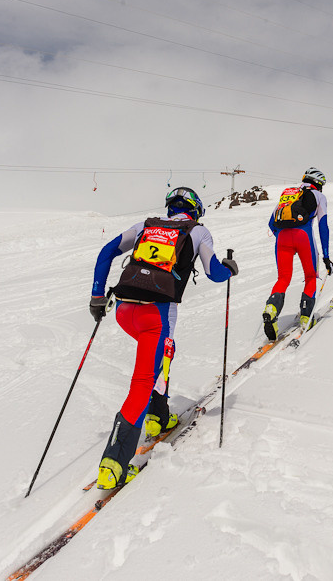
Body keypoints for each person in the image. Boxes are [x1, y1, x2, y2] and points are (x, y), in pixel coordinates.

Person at [88, 186, 238, 489]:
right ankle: (113, 464)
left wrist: (96, 297)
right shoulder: (198, 231)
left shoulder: (146, 225)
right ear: (195, 209)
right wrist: (230, 269)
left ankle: (158, 415)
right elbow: (214, 272)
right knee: (145, 378)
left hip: (123, 310)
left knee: (162, 356)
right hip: (155, 317)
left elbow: (107, 252)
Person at [262, 167, 332, 340]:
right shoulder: (319, 196)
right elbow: (323, 226)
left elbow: (272, 223)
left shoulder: (289, 195)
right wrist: (325, 255)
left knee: (283, 278)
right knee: (310, 276)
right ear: (319, 184)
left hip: (282, 239)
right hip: (303, 236)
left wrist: (284, 240)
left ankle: (271, 309)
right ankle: (306, 317)